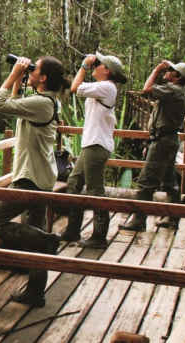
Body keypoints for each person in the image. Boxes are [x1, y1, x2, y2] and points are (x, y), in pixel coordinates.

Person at [0, 55, 66, 307]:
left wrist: (12, 75)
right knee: (33, 236)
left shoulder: (42, 103)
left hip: (29, 180)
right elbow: (17, 103)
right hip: (42, 177)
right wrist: (20, 76)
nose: (30, 71)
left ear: (43, 78)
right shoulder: (47, 101)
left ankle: (46, 239)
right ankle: (35, 292)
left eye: (34, 69)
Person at [60, 52, 127, 248]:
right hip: (91, 145)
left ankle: (99, 235)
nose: (95, 66)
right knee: (73, 183)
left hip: (97, 146)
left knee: (95, 190)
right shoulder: (102, 87)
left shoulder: (106, 87)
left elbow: (75, 88)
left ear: (106, 70)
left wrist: (84, 66)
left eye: (98, 64)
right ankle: (72, 230)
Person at [119, 60, 185, 231]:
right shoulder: (177, 90)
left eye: (171, 70)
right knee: (169, 182)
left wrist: (156, 69)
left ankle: (138, 220)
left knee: (145, 182)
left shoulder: (173, 90)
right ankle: (173, 217)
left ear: (177, 77)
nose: (167, 72)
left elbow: (146, 90)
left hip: (163, 142)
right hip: (167, 140)